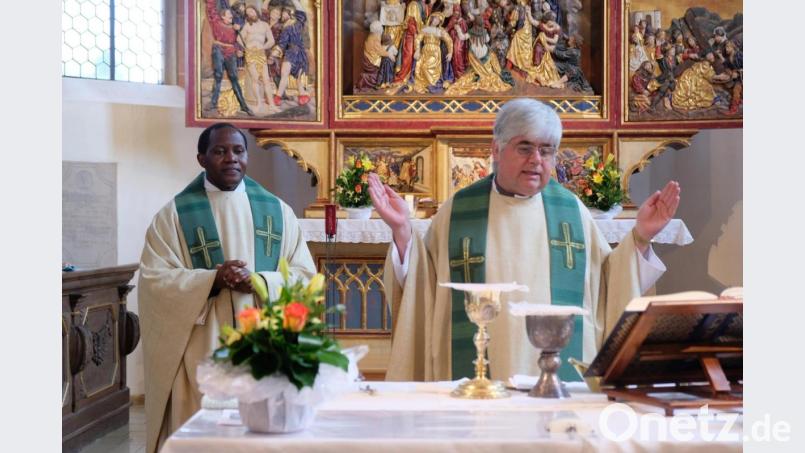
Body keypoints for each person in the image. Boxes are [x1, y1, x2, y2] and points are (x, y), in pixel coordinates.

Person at [368, 99, 680, 382]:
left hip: (558, 380)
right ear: (496, 150)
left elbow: (608, 286)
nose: (536, 159)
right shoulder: (459, 211)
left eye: (546, 150)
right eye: (524, 147)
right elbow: (425, 287)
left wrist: (641, 237)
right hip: (476, 380)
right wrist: (402, 232)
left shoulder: (571, 211)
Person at [139, 123, 316, 453]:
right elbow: (155, 281)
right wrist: (211, 280)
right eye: (220, 151)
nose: (231, 158)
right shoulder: (174, 217)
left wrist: (261, 281)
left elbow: (305, 275)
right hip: (202, 347)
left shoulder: (278, 212)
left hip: (264, 340)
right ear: (202, 159)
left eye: (238, 151)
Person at [204, 0, 253, 116]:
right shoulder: (216, 22)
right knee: (218, 75)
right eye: (229, 15)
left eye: (231, 15)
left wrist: (238, 50)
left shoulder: (234, 28)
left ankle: (244, 106)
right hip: (218, 50)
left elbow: (236, 42)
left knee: (234, 78)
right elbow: (211, 9)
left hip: (230, 53)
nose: (231, 16)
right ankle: (213, 103)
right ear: (223, 17)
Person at [240, 5, 278, 114]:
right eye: (248, 13)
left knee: (266, 79)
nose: (250, 14)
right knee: (255, 79)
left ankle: (271, 105)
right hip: (250, 54)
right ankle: (259, 104)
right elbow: (239, 38)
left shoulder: (265, 25)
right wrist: (246, 47)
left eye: (252, 11)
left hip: (261, 53)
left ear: (256, 12)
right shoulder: (247, 26)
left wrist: (263, 47)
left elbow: (271, 41)